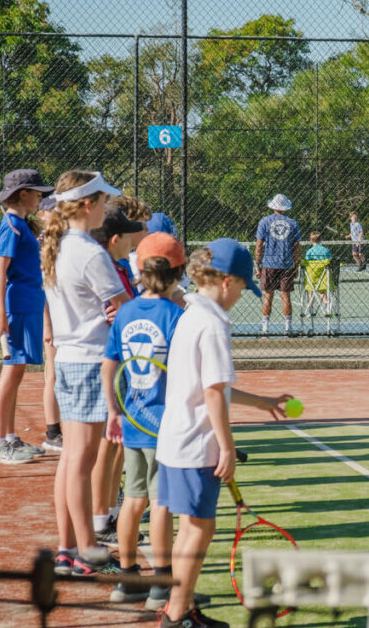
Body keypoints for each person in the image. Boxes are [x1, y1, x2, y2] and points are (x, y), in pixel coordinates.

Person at [155, 238, 292, 628]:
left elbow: (212, 385)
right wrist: (227, 448)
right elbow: (214, 392)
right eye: (243, 288)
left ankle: (178, 611)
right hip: (196, 443)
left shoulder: (190, 315)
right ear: (227, 281)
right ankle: (178, 615)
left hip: (174, 440)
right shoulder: (213, 323)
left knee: (191, 529)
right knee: (199, 530)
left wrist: (263, 402)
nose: (240, 297)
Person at [42, 170, 131, 575]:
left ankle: (67, 550)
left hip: (70, 359)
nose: (107, 209)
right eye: (103, 201)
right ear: (88, 205)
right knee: (81, 459)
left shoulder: (58, 246)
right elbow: (125, 306)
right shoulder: (90, 252)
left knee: (71, 460)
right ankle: (88, 554)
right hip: (93, 361)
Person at [102, 232, 186, 608]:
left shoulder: (127, 311)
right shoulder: (177, 317)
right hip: (163, 425)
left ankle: (127, 579)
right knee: (161, 503)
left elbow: (109, 365)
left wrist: (113, 411)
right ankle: (161, 584)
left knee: (133, 499)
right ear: (177, 273)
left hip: (134, 421)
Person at [0, 169, 55, 465]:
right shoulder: (11, 223)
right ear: (23, 194)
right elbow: (0, 268)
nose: (41, 197)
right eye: (38, 192)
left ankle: (9, 436)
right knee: (11, 373)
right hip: (18, 308)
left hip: (27, 305)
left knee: (18, 372)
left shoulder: (21, 224)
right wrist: (1, 313)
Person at [88, 205, 145, 545]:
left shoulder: (120, 265)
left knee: (117, 445)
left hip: (122, 360)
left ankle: (108, 511)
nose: (134, 237)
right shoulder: (105, 267)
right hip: (107, 361)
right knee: (106, 447)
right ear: (114, 240)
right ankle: (100, 519)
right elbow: (120, 309)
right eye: (128, 233)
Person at [37, 195, 64, 452]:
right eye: (52, 211)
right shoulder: (40, 245)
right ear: (41, 215)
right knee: (53, 375)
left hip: (67, 319)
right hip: (53, 320)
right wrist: (47, 325)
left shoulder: (65, 242)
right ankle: (53, 432)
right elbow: (42, 290)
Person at [255, 194, 301, 335]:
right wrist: (296, 265)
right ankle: (288, 327)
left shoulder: (265, 221)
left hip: (269, 263)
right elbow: (297, 247)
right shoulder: (293, 224)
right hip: (286, 264)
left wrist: (258, 264)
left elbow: (259, 244)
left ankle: (265, 328)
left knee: (268, 296)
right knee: (285, 296)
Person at [305, 230, 333, 312]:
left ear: (311, 240)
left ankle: (310, 308)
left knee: (311, 289)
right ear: (321, 239)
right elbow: (330, 260)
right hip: (324, 277)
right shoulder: (326, 250)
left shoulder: (309, 251)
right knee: (320, 289)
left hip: (312, 277)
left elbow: (307, 263)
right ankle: (327, 303)